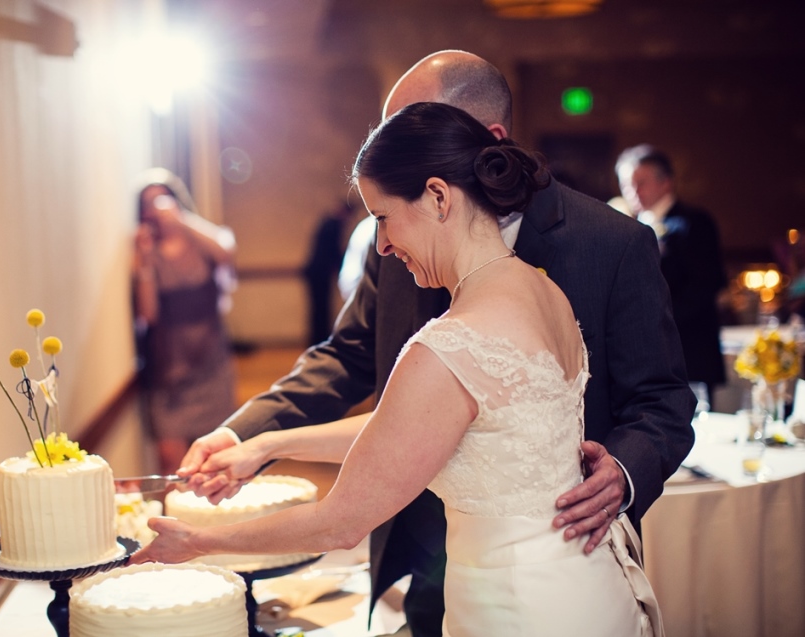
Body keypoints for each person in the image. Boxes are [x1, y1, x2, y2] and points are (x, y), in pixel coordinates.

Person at [176, 51, 695, 637]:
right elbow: (365, 371)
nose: (380, 243)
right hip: (446, 557)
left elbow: (663, 400)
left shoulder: (611, 243)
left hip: (542, 572)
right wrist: (253, 437)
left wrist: (625, 470)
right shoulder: (500, 273)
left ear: (462, 164)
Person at [131, 169, 238, 474]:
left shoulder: (200, 241)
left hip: (210, 364)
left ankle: (212, 521)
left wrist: (181, 220)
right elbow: (148, 314)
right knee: (172, 465)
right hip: (168, 373)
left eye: (162, 199)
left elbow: (225, 251)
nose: (157, 209)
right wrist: (146, 262)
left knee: (214, 460)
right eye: (149, 204)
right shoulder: (145, 252)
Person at [616, 146, 728, 403]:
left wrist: (656, 321)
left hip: (689, 345)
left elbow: (707, 284)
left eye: (640, 183)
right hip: (646, 352)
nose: (633, 193)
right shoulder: (629, 226)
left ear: (665, 182)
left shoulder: (694, 223)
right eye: (626, 185)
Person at [302, 201, 358, 344]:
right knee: (321, 309)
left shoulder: (327, 221)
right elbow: (333, 252)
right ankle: (319, 340)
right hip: (320, 273)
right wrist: (344, 269)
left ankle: (318, 340)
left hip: (316, 272)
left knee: (319, 309)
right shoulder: (333, 224)